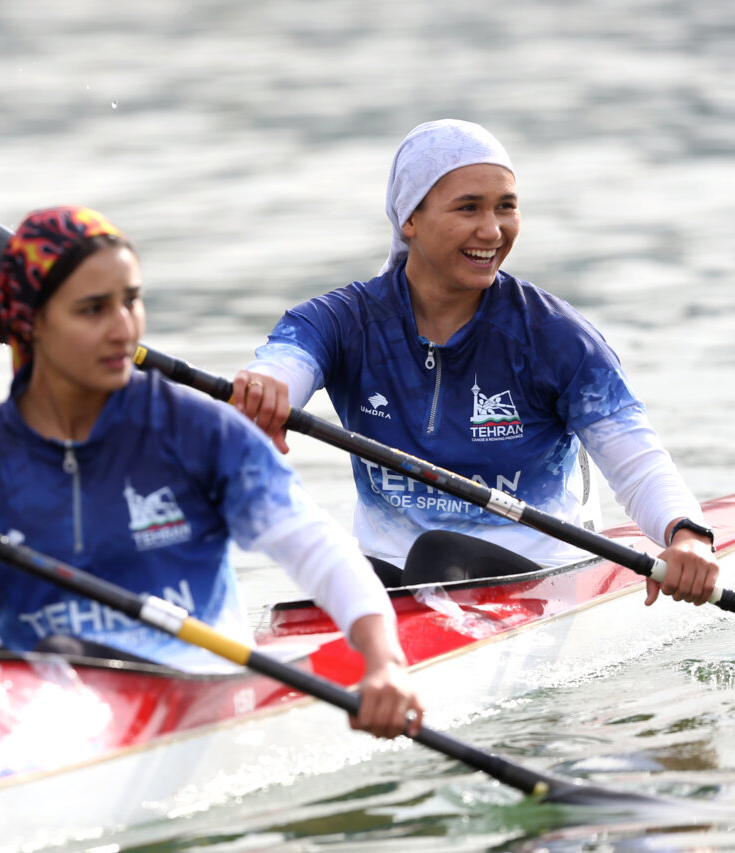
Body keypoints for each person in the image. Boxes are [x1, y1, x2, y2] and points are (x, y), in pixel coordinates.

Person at [0, 205, 422, 738]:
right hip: (33, 705)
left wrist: (384, 662)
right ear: (32, 323)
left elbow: (320, 550)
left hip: (194, 694)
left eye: (131, 302)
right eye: (93, 310)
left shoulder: (198, 432)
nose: (124, 330)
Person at [231, 118, 719, 605]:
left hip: (541, 579)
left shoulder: (554, 337)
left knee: (438, 551)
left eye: (506, 207)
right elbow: (282, 365)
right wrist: (262, 392)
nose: (492, 230)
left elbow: (637, 462)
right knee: (330, 562)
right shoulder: (341, 322)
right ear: (410, 219)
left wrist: (687, 535)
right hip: (394, 579)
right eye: (469, 209)